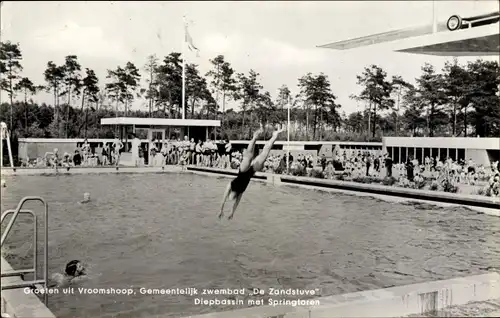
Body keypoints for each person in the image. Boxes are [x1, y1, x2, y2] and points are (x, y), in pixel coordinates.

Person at [219, 126, 285, 220]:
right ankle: (274, 136)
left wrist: (221, 210)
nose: (231, 197)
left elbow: (223, 199)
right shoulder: (240, 192)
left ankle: (255, 137)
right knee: (265, 153)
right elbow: (236, 204)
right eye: (233, 197)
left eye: (230, 196)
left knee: (248, 156)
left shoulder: (230, 186)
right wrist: (232, 212)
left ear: (230, 193)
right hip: (251, 172)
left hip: (243, 171)